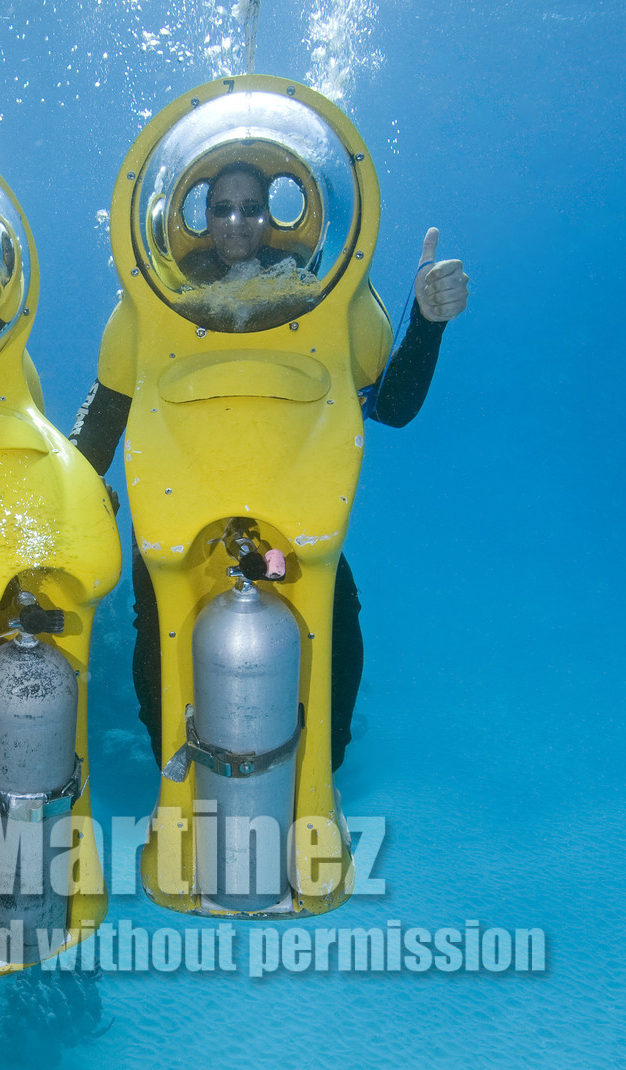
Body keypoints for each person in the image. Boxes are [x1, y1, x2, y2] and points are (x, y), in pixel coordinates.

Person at [70, 187, 470, 770]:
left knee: (336, 622)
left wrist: (428, 324)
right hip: (173, 506)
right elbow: (98, 430)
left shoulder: (322, 294)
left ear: (276, 211)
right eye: (222, 209)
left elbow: (394, 404)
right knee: (157, 633)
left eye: (251, 207)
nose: (236, 223)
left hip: (288, 507)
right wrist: (73, 500)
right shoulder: (154, 299)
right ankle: (177, 796)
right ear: (199, 215)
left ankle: (313, 793)